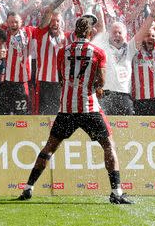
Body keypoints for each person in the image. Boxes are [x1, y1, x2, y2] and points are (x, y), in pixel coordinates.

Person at [17, 16, 133, 204]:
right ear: (89, 32)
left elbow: (62, 78)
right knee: (109, 146)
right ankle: (116, 192)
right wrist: (95, 86)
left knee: (49, 148)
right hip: (89, 108)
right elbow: (101, 82)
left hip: (67, 108)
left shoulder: (63, 51)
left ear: (75, 30)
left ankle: (28, 188)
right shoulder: (98, 52)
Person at [94, 4, 155, 116]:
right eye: (114, 32)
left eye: (120, 33)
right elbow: (101, 27)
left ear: (125, 36)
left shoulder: (130, 48)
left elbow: (143, 31)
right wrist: (98, 8)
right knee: (104, 128)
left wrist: (152, 15)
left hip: (124, 96)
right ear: (109, 35)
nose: (117, 35)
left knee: (129, 127)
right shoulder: (103, 47)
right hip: (105, 95)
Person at [31, 0, 80, 114]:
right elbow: (50, 9)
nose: (54, 23)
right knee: (41, 116)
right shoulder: (41, 34)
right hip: (44, 83)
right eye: (52, 21)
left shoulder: (68, 37)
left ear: (62, 22)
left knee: (60, 115)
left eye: (57, 21)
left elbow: (84, 25)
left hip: (61, 84)